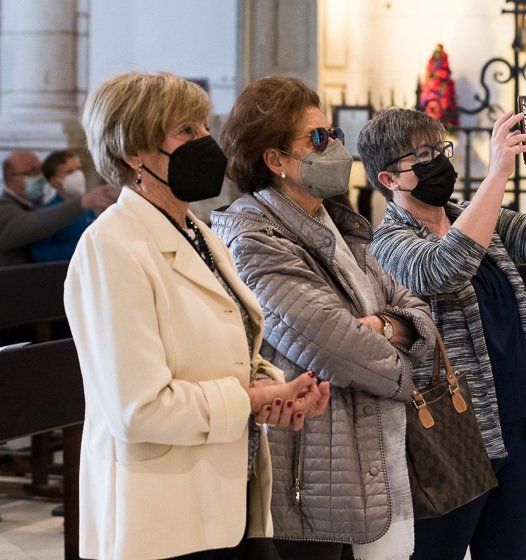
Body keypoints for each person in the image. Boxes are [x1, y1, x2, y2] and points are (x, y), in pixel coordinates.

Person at [65, 71, 330, 560]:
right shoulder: (113, 247)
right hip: (162, 516)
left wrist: (277, 393)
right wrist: (251, 400)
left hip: (228, 500)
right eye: (186, 131)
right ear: (135, 152)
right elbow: (138, 408)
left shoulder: (198, 233)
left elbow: (228, 348)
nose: (206, 141)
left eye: (205, 127)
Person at [212, 76, 437, 560]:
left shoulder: (342, 222)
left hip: (365, 444)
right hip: (310, 461)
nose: (334, 146)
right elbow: (333, 344)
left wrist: (385, 325)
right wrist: (407, 364)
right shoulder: (253, 237)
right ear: (275, 160)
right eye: (317, 139)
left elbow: (416, 309)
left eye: (332, 134)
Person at [358, 107, 526, 560]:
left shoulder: (474, 218)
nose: (437, 161)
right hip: (453, 434)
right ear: (388, 180)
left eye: (438, 149)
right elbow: (445, 268)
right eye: (419, 156)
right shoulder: (388, 242)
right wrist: (498, 172)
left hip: (513, 421)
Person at [0, 151, 115, 266]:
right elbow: (29, 224)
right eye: (31, 171)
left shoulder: (37, 205)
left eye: (41, 170)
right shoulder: (4, 207)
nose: (40, 177)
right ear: (10, 179)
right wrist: (81, 203)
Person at [30, 150, 110, 262]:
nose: (78, 175)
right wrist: (79, 248)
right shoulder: (47, 213)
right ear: (55, 182)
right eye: (69, 172)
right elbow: (40, 254)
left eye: (78, 169)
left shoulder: (87, 208)